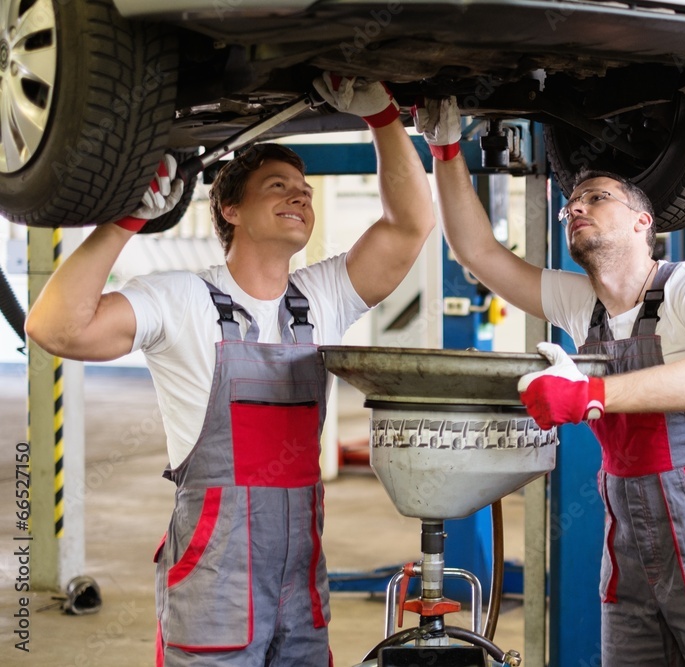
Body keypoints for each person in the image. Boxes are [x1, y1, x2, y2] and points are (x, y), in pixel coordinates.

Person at [25, 77, 436, 666]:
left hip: (300, 586)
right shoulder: (183, 299)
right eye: (278, 187)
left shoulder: (319, 299)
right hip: (214, 587)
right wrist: (126, 222)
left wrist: (383, 115)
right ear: (230, 208)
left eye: (304, 191)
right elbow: (55, 327)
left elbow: (408, 228)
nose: (299, 197)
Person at [415, 97, 685, 666]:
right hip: (630, 561)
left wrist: (591, 393)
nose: (576, 207)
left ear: (644, 221)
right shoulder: (581, 305)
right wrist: (444, 149)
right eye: (571, 203)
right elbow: (478, 251)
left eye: (597, 197)